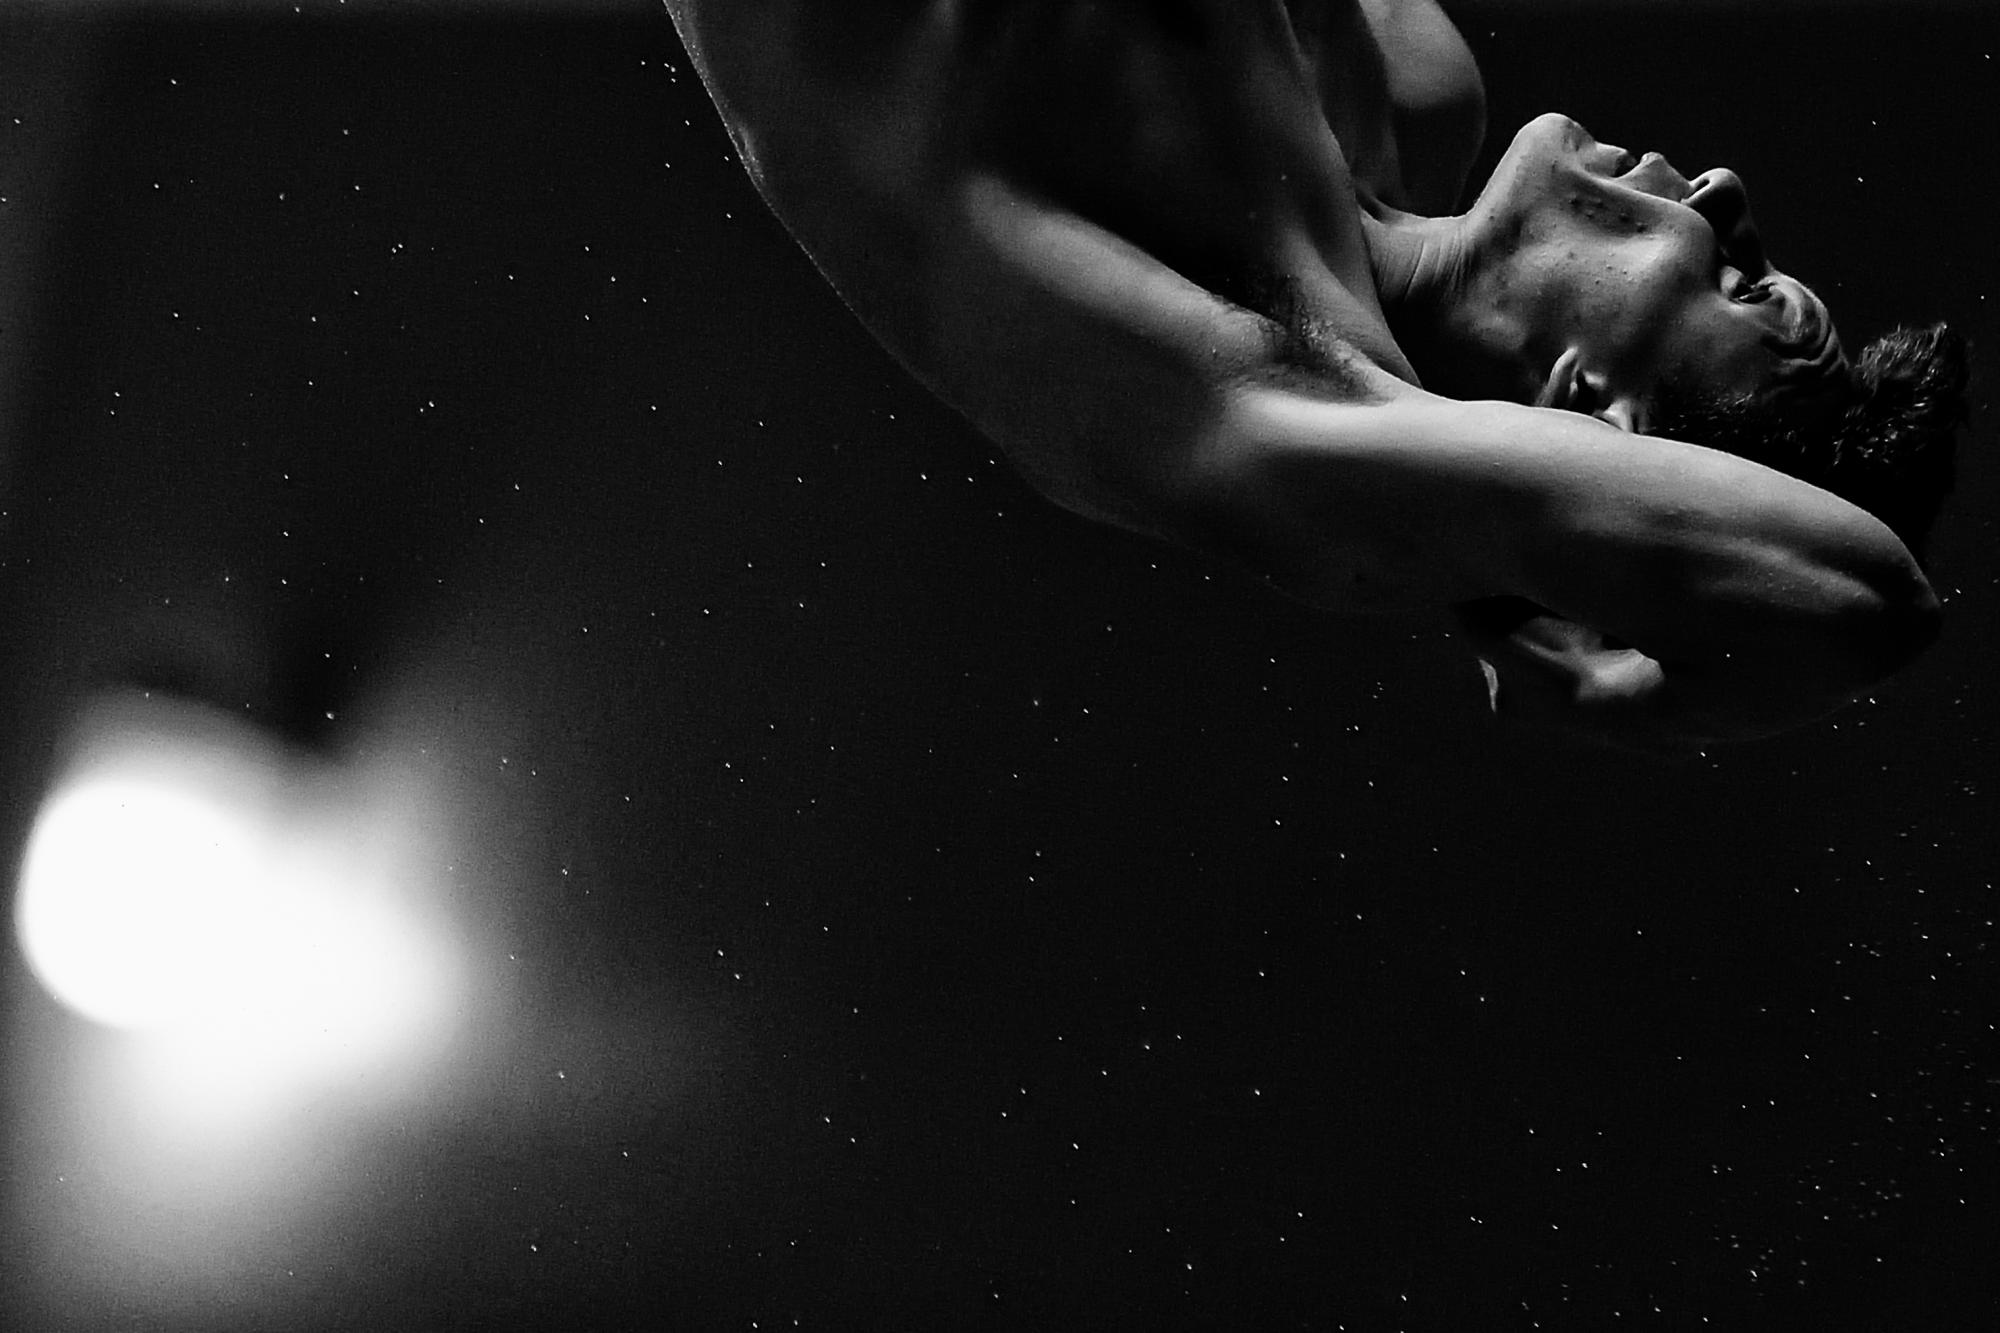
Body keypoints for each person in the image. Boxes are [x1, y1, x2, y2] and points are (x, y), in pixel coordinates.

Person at [661, 0, 1967, 752]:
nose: (1721, 197)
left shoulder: (1256, 398)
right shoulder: (1415, 90)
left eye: (1739, 285)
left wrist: (1603, 685)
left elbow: (1861, 606)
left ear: (1595, 418)